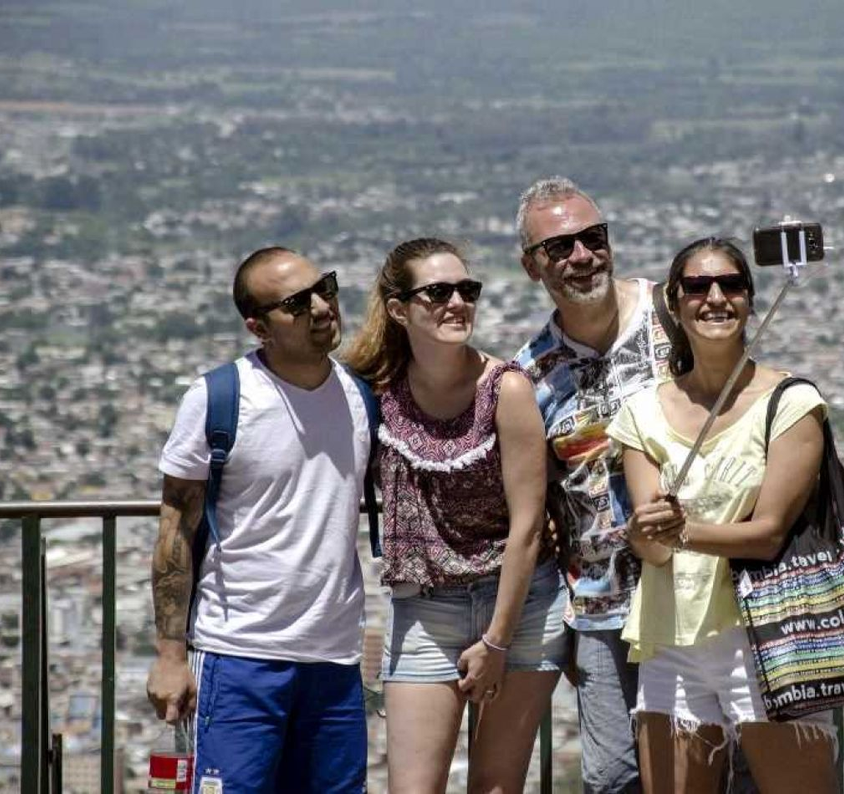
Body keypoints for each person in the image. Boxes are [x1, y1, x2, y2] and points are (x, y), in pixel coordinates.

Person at [605, 237, 839, 793]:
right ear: (674, 302)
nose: (715, 297)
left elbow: (767, 535)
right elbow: (655, 547)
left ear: (751, 300)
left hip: (768, 636)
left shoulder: (790, 402)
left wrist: (679, 531)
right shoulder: (642, 412)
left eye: (731, 285)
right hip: (672, 637)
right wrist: (645, 534)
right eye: (697, 286)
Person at [345, 237, 565, 794]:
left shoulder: (506, 389)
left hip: (518, 605)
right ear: (399, 310)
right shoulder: (375, 393)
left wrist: (496, 641)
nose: (457, 303)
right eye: (438, 292)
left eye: (467, 290)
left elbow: (527, 527)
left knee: (495, 784)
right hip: (423, 608)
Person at [146, 247, 370, 792]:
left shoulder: (361, 396)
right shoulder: (220, 398)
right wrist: (171, 657)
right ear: (257, 326)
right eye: (296, 303)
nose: (322, 308)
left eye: (327, 288)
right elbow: (175, 525)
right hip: (240, 654)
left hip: (335, 658)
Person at [512, 176, 674, 794]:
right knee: (612, 777)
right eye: (560, 247)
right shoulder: (529, 373)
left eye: (593, 238)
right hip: (600, 603)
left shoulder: (675, 315)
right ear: (532, 266)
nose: (582, 256)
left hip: (698, 585)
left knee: (712, 761)